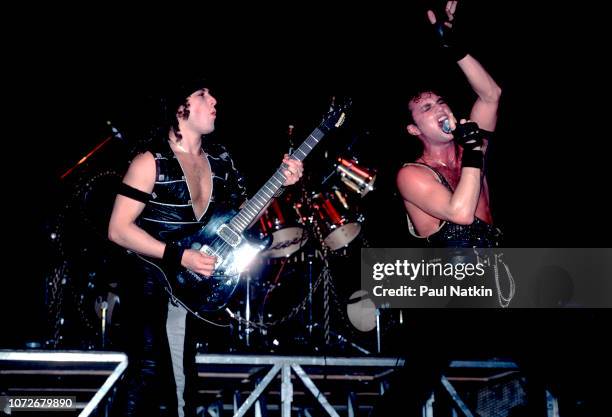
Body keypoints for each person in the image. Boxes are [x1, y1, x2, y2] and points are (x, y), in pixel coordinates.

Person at [107, 75, 303, 417]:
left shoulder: (221, 161)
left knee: (183, 381)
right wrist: (180, 256)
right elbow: (118, 229)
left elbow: (238, 218)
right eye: (202, 94)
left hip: (189, 289)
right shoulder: (149, 161)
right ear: (181, 107)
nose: (214, 101)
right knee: (151, 374)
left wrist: (280, 186)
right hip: (151, 283)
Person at [396, 0, 502, 249]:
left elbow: (490, 96)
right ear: (415, 130)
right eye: (427, 108)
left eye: (441, 102)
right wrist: (475, 148)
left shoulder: (469, 150)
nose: (441, 108)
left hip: (495, 269)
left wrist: (456, 49)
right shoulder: (411, 175)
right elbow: (461, 214)